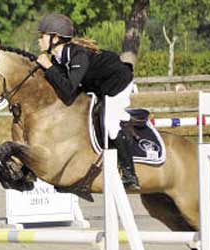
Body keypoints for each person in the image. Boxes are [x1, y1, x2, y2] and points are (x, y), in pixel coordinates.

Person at [35, 13, 138, 189]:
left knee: (110, 124)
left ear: (55, 38)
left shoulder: (77, 55)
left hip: (118, 83)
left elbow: (68, 89)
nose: (39, 40)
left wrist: (49, 67)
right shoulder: (58, 58)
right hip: (99, 87)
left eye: (42, 36)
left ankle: (130, 174)